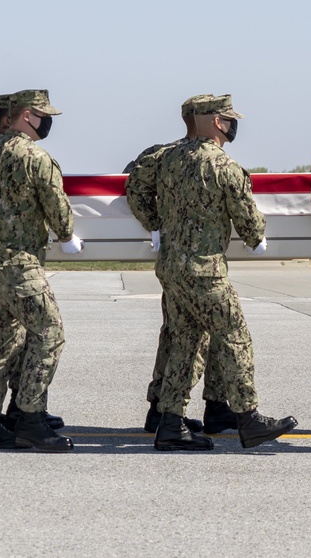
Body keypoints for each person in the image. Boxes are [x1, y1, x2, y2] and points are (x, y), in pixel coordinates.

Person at [152, 94, 297, 451]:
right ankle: (248, 417)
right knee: (234, 338)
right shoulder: (223, 166)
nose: (233, 125)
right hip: (206, 270)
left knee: (186, 343)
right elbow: (249, 223)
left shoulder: (168, 160)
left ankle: (170, 423)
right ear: (218, 122)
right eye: (230, 119)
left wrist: (155, 226)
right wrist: (256, 235)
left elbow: (138, 187)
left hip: (172, 268)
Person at [0, 89, 83, 452]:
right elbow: (59, 211)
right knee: (49, 332)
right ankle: (29, 417)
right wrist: (66, 234)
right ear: (28, 115)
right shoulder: (35, 157)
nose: (47, 123)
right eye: (44, 116)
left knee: (0, 335)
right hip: (18, 264)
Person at [125, 95, 237, 436]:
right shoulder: (169, 155)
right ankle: (165, 410)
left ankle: (207, 407)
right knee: (190, 336)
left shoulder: (175, 155)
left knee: (197, 334)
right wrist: (155, 224)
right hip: (193, 263)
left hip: (189, 261)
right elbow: (133, 182)